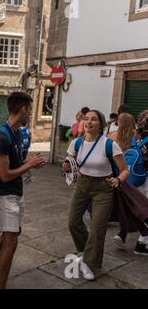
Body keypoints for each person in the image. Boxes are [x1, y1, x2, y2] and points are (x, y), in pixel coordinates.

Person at [0, 92, 46, 289]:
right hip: (5, 193)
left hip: (16, 190)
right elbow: (5, 175)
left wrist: (30, 163)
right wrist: (29, 165)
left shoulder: (17, 132)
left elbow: (16, 164)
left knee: (15, 232)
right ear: (23, 109)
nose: (31, 115)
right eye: (30, 110)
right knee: (11, 242)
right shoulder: (1, 136)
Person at [63, 110, 129, 280]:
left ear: (101, 124)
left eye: (93, 119)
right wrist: (66, 167)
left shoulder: (109, 144)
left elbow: (124, 170)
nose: (89, 122)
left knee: (97, 229)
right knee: (73, 222)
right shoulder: (76, 143)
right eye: (86, 119)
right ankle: (85, 252)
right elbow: (69, 162)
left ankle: (90, 263)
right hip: (82, 185)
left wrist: (118, 180)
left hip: (103, 187)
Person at [113, 112, 148, 255]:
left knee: (135, 208)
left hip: (130, 177)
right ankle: (141, 242)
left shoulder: (136, 137)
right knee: (144, 211)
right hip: (144, 179)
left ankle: (125, 234)